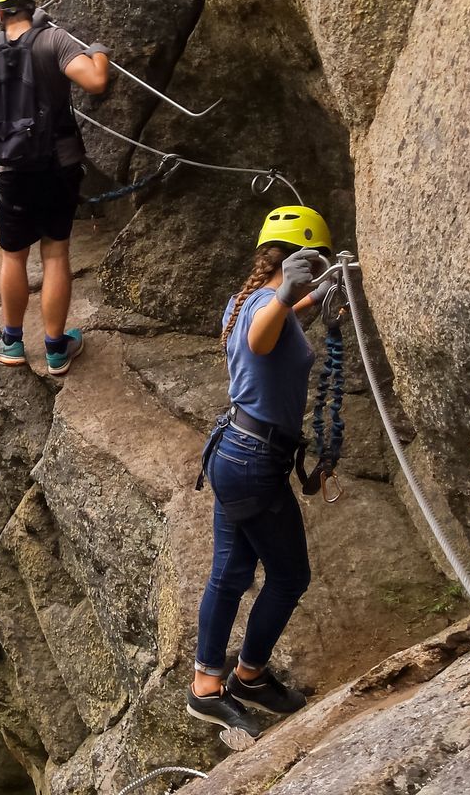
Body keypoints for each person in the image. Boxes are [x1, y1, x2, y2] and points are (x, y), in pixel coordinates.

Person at [185, 206, 334, 749]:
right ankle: (247, 676)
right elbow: (261, 339)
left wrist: (322, 295)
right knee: (290, 576)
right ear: (299, 261)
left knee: (230, 571)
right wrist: (292, 294)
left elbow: (281, 321)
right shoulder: (263, 312)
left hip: (238, 454)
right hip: (252, 463)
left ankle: (209, 684)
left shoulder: (248, 301)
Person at [0, 0, 109, 375]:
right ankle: (55, 348)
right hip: (58, 163)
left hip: (10, 167)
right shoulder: (54, 40)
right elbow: (95, 81)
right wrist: (99, 50)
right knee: (55, 253)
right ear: (34, 4)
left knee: (13, 257)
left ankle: (11, 342)